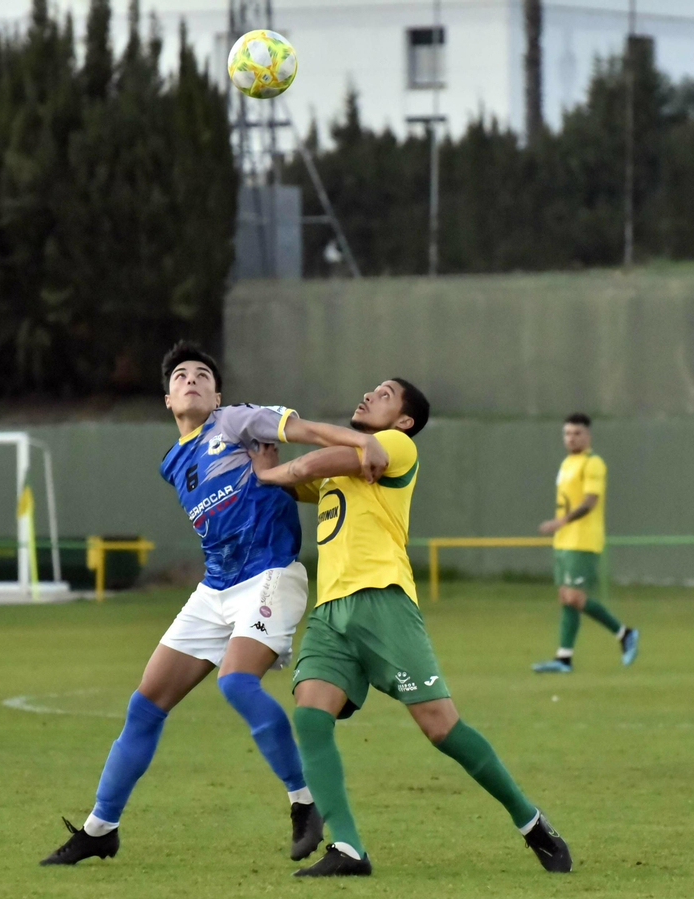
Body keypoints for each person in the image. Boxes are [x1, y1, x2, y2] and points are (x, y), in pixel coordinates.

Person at [42, 341, 390, 868]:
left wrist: (364, 446)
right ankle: (100, 828)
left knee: (235, 681)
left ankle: (304, 800)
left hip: (270, 574)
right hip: (216, 587)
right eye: (180, 375)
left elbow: (307, 432)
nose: (191, 380)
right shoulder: (173, 462)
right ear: (167, 399)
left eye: (202, 374)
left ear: (218, 393)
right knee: (145, 705)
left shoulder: (235, 422)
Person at [250, 378, 573, 877]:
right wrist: (252, 447)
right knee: (311, 717)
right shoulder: (355, 454)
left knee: (441, 727)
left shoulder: (395, 446)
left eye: (383, 394)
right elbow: (296, 482)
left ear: (403, 420)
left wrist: (273, 470)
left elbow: (309, 466)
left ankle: (530, 822)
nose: (367, 395)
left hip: (383, 602)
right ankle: (349, 849)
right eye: (370, 390)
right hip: (332, 611)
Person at [532, 413, 638, 673]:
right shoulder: (568, 463)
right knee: (566, 597)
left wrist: (562, 521)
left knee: (575, 596)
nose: (571, 438)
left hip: (583, 539)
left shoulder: (593, 463)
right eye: (567, 433)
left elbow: (590, 501)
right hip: (565, 541)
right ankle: (564, 658)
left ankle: (624, 633)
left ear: (587, 435)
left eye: (577, 433)